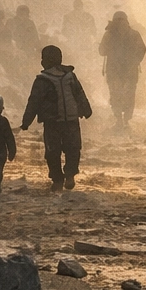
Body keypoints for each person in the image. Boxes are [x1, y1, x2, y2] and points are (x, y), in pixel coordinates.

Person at [21, 45, 92, 191]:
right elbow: (80, 94)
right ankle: (69, 175)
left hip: (52, 122)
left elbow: (33, 102)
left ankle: (58, 180)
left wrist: (26, 121)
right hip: (70, 120)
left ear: (45, 61)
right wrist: (86, 110)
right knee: (73, 149)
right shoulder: (69, 76)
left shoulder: (43, 80)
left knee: (53, 152)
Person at [98, 11, 146, 129]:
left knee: (116, 95)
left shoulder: (109, 34)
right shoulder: (134, 34)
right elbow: (142, 49)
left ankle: (119, 119)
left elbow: (102, 51)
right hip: (129, 71)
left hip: (114, 70)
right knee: (128, 95)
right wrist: (135, 61)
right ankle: (125, 120)